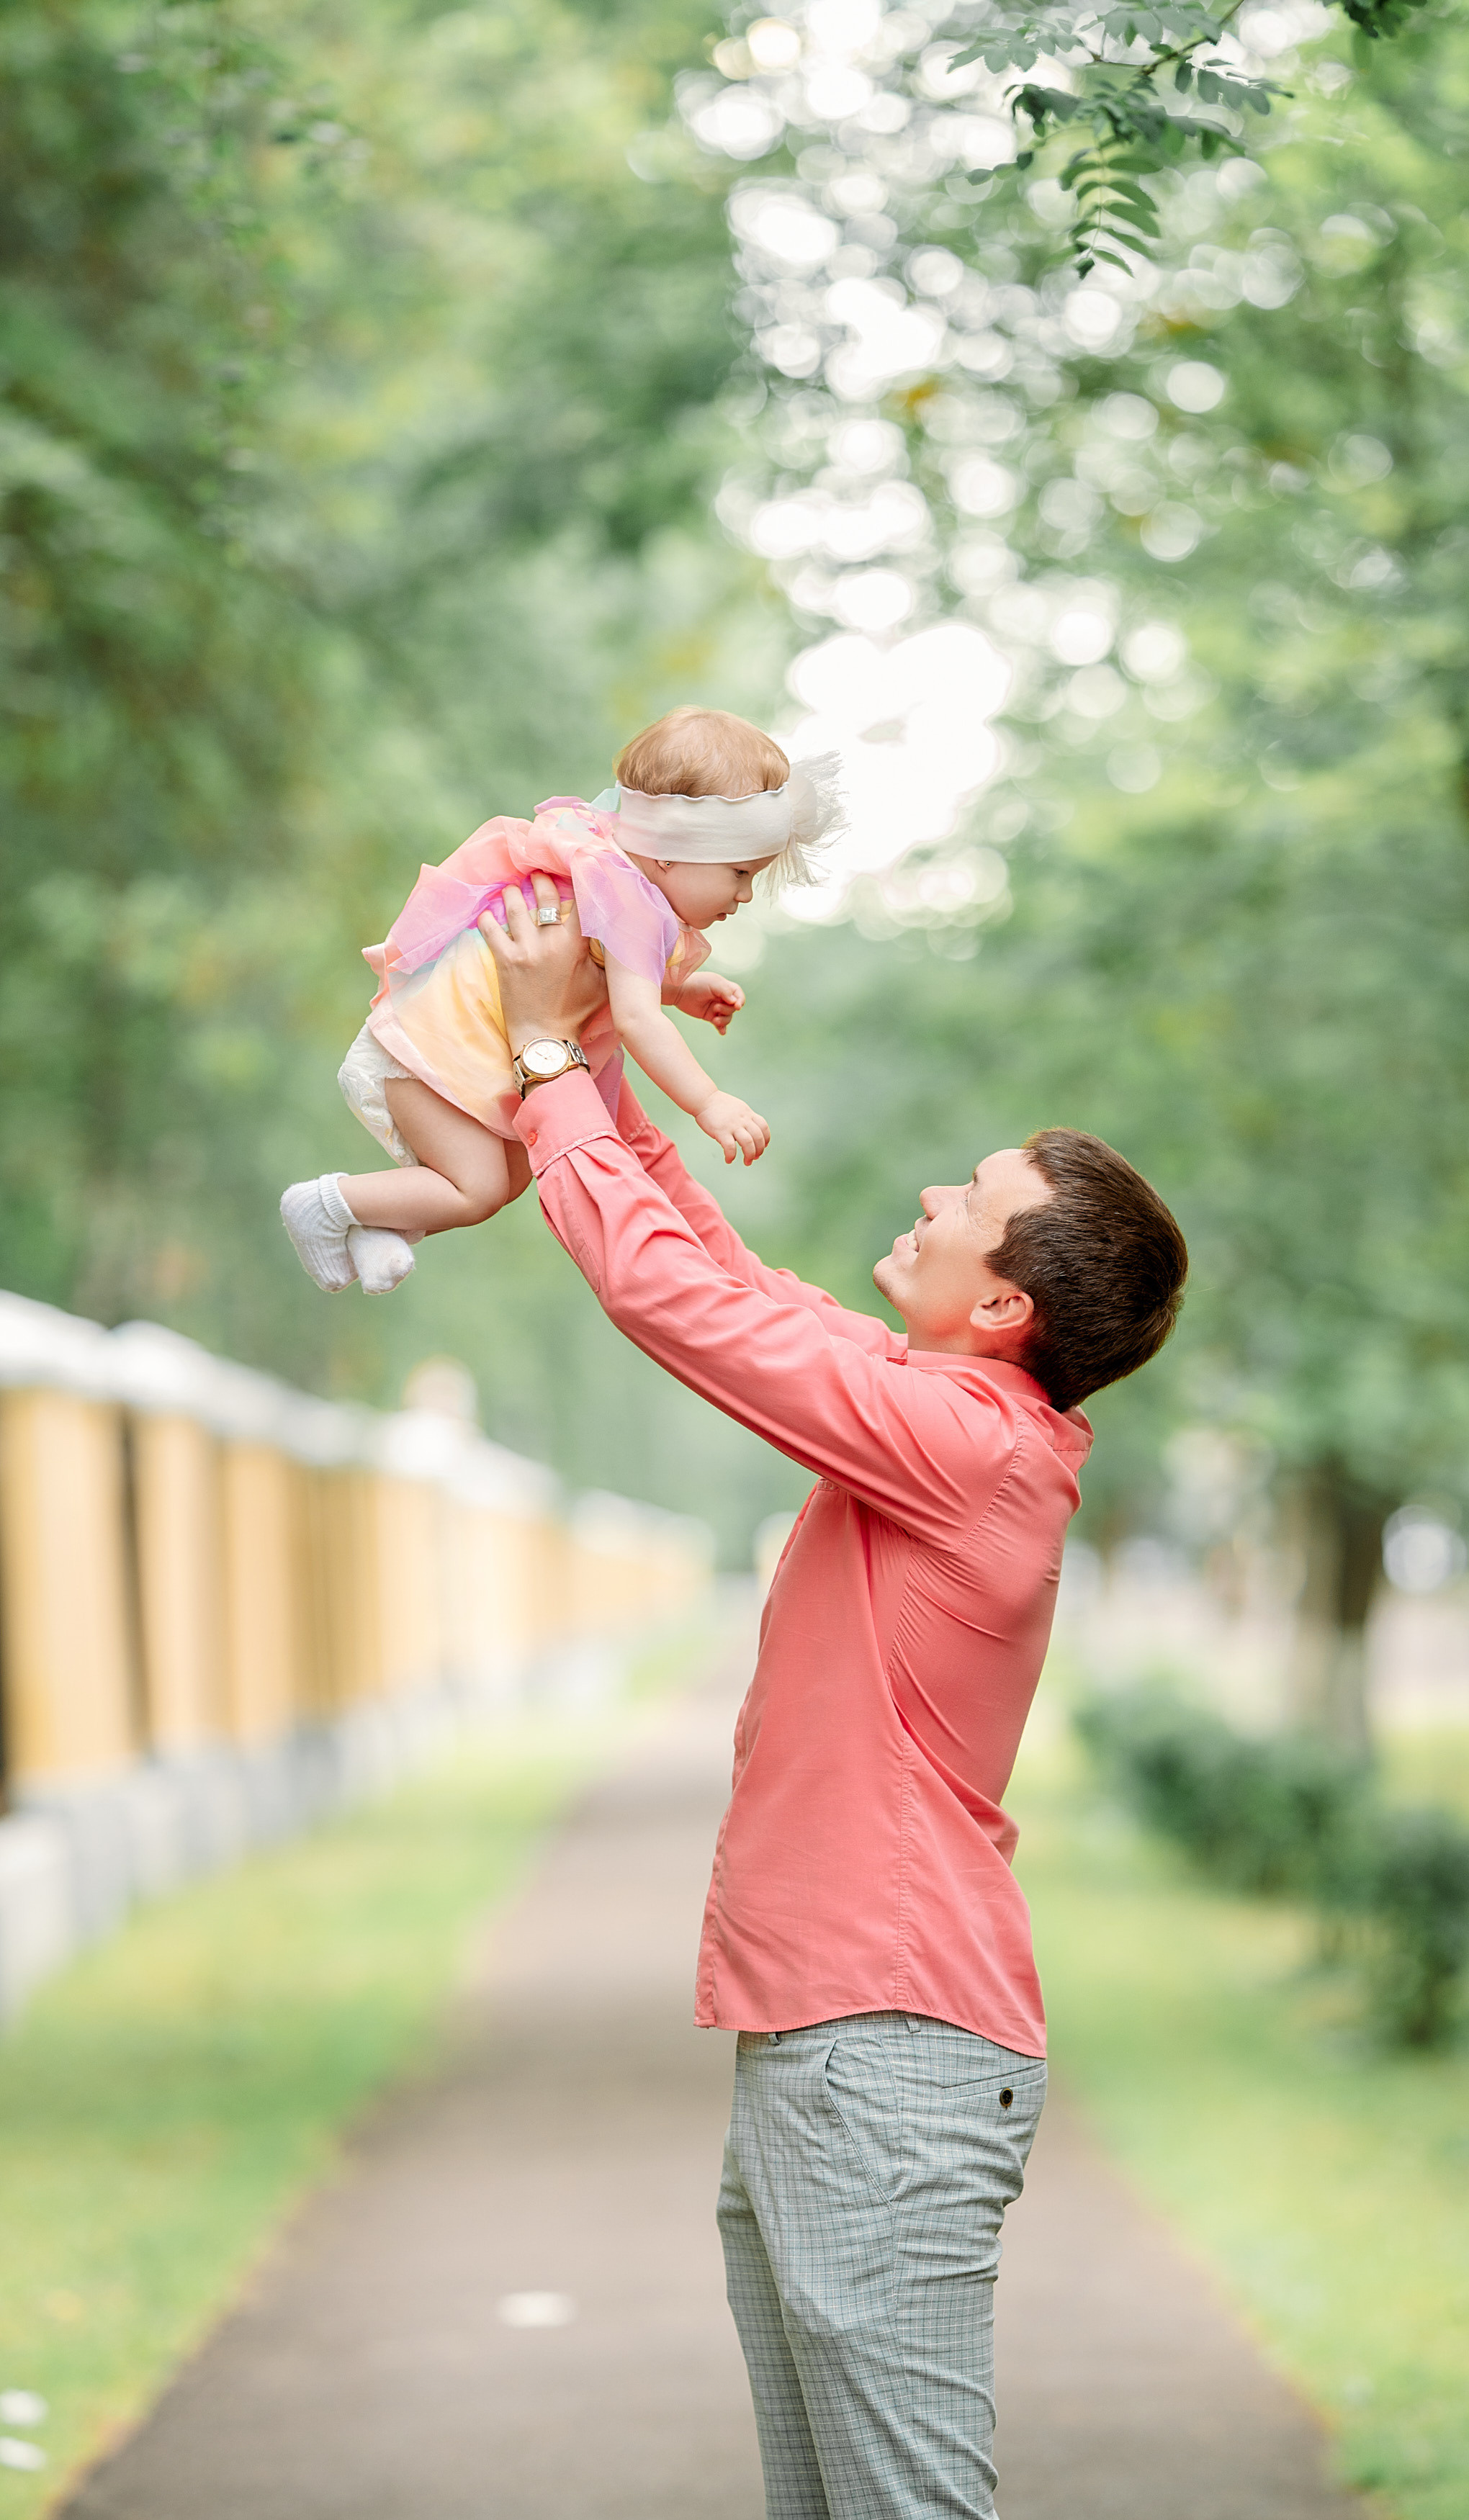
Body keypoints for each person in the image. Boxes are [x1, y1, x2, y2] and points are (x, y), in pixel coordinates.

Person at [477, 878, 1190, 2520]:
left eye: (970, 1197)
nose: (932, 1194)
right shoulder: (921, 1404)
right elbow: (724, 1277)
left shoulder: (967, 1447)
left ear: (1001, 1307)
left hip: (884, 2054)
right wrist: (592, 1049)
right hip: (837, 2047)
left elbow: (673, 1306)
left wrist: (539, 1059)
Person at [279, 706, 839, 1296]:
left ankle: (377, 1225)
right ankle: (325, 1203)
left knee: (515, 1175)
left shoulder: (609, 868)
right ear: (672, 851)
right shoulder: (628, 899)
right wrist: (709, 1102)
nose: (745, 895)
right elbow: (636, 1017)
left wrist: (680, 990)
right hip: (440, 1044)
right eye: (740, 872)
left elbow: (601, 975)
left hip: (465, 1038)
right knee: (479, 1189)